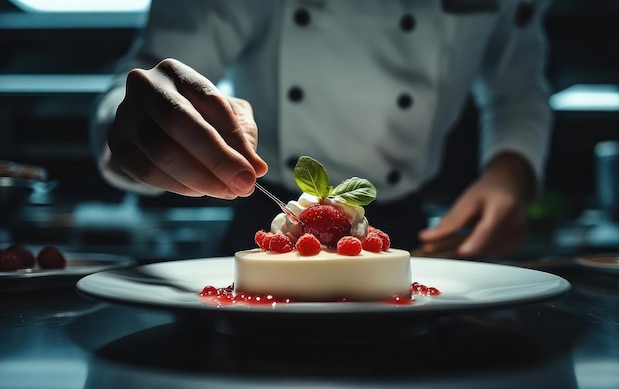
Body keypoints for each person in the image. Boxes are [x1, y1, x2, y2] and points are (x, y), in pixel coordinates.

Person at [90, 0, 553, 258]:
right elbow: (146, 78)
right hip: (267, 230)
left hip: (411, 242)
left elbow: (518, 83)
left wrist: (513, 168)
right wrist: (134, 128)